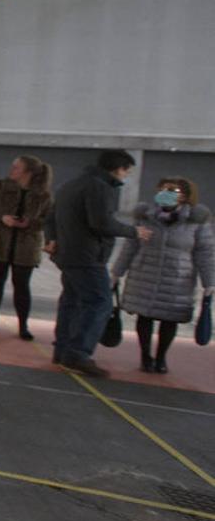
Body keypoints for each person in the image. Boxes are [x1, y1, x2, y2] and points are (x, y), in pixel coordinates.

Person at [44, 149, 153, 377]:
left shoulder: (71, 184)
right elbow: (101, 223)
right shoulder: (101, 188)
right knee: (99, 302)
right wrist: (134, 231)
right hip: (88, 255)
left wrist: (52, 239)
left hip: (68, 253)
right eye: (127, 172)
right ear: (118, 168)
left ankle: (63, 349)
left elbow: (51, 217)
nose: (125, 177)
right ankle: (78, 353)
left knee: (71, 301)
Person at [110, 177, 215, 374]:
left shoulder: (196, 221)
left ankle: (161, 358)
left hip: (177, 277)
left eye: (171, 190)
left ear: (184, 196)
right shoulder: (145, 216)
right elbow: (131, 245)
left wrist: (209, 282)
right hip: (145, 272)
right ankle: (145, 356)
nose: (164, 193)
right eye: (162, 189)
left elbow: (205, 252)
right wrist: (117, 272)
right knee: (144, 316)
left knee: (170, 319)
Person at [0, 156, 54, 340]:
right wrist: (1, 218)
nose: (12, 170)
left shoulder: (43, 195)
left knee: (22, 285)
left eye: (17, 168)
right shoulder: (0, 187)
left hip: (26, 245)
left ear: (28, 172)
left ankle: (23, 325)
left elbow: (48, 220)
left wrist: (29, 223)